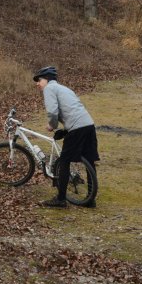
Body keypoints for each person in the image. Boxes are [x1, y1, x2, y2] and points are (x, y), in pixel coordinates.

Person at [33, 66, 98, 208]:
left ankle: (61, 199)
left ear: (47, 79)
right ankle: (90, 199)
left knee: (64, 161)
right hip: (88, 124)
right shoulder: (65, 89)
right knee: (89, 161)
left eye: (39, 80)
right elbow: (73, 109)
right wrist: (66, 130)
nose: (37, 83)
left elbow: (52, 112)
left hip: (77, 127)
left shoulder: (49, 88)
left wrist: (52, 125)